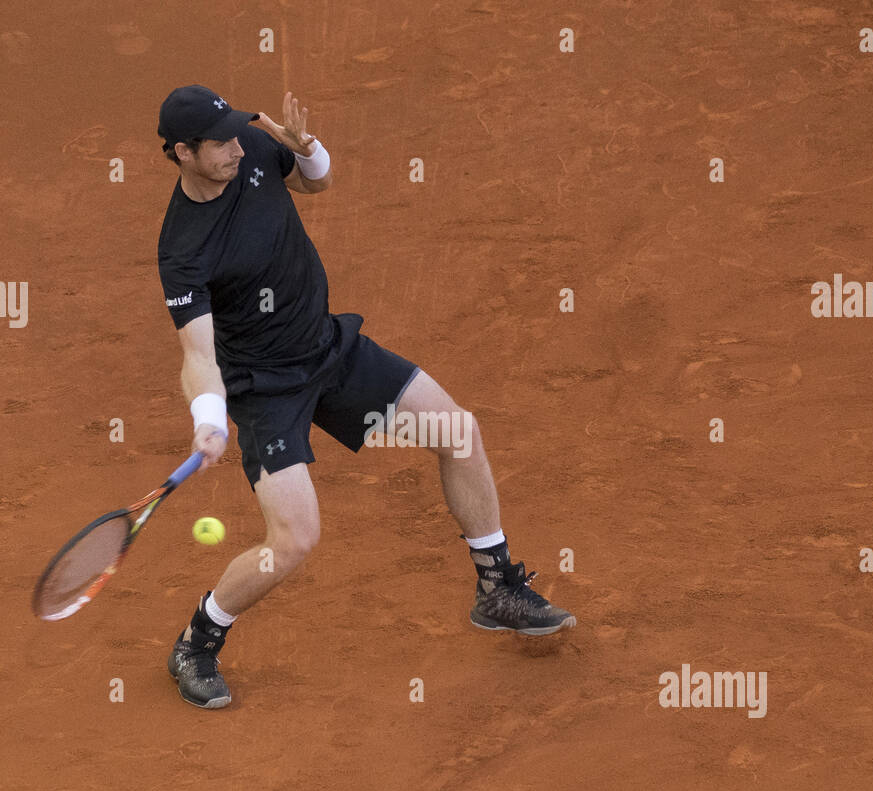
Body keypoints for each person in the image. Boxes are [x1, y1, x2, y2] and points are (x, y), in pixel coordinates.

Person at [155, 85, 576, 709]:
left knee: (457, 432)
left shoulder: (253, 157)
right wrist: (210, 419)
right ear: (182, 154)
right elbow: (197, 353)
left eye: (237, 133)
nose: (236, 148)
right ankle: (198, 640)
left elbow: (314, 184)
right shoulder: (183, 249)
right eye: (219, 143)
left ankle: (497, 589)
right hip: (267, 392)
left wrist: (308, 151)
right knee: (294, 539)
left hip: (331, 352)